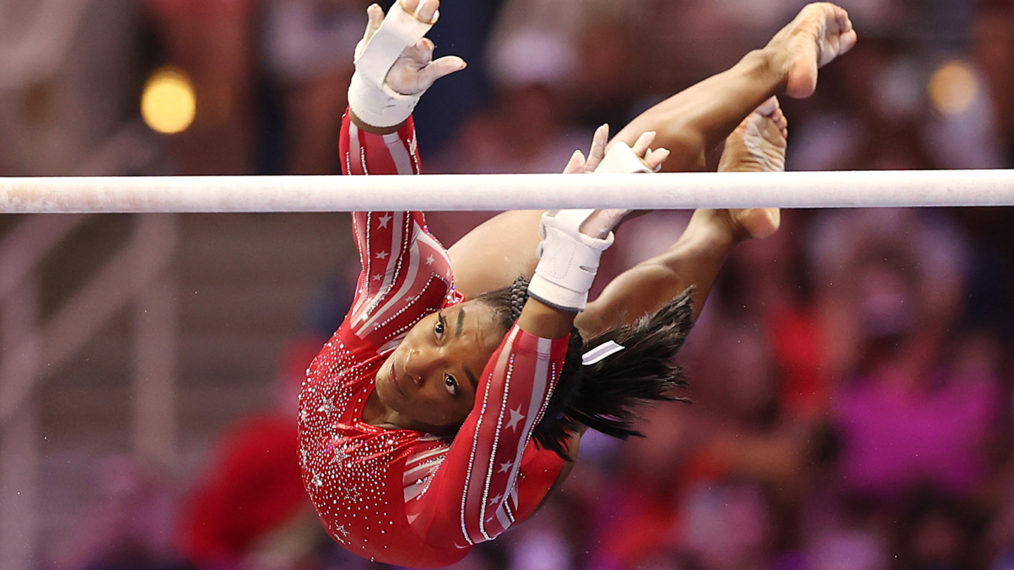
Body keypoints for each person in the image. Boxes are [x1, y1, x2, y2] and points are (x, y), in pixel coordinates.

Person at [298, 0, 856, 566]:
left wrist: (380, 107)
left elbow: (382, 211)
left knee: (607, 182)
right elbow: (501, 402)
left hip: (506, 388)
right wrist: (376, 101)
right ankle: (721, 225)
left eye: (447, 377)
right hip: (516, 439)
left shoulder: (399, 326)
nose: (418, 363)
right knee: (598, 347)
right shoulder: (457, 486)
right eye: (446, 365)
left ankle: (772, 62)